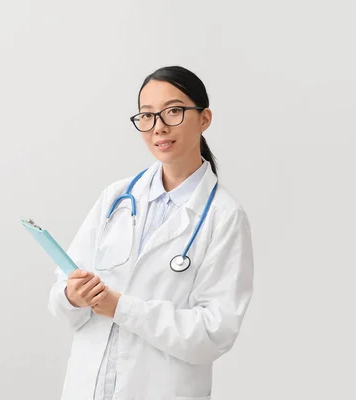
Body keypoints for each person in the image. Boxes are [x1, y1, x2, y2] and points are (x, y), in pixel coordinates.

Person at [47, 65, 254, 400]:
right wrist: (73, 296)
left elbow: (213, 334)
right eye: (146, 116)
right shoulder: (116, 197)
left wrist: (121, 307)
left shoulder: (224, 217)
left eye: (173, 111)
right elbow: (61, 293)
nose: (158, 127)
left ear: (204, 118)